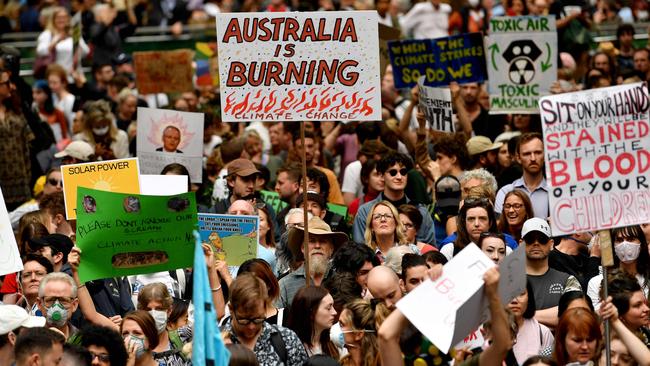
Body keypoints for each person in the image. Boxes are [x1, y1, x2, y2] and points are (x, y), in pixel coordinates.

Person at [222, 273, 308, 365]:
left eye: (258, 319)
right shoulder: (215, 342)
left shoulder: (287, 339)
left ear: (265, 308)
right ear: (231, 309)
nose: (251, 327)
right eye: (244, 320)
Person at [353, 152, 435, 246]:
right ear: (382, 176)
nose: (399, 177)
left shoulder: (421, 211)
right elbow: (359, 249)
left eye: (403, 172)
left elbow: (429, 251)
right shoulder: (366, 212)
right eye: (393, 172)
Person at [522, 218, 581, 327]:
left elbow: (575, 314)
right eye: (530, 239)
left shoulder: (567, 280)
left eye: (542, 239)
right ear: (521, 244)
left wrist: (524, 316)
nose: (536, 243)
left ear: (551, 244)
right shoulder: (509, 281)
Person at [280, 216, 348, 308]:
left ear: (331, 249)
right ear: (303, 248)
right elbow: (276, 321)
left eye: (323, 241)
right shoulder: (285, 285)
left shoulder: (342, 282)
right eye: (311, 241)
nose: (317, 246)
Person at [587, 225, 650, 309]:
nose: (624, 244)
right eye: (619, 240)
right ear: (613, 246)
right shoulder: (597, 283)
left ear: (641, 244)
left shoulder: (648, 279)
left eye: (630, 239)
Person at [495, 133, 549, 219]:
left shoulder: (556, 193)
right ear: (518, 158)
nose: (533, 158)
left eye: (538, 152)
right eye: (527, 154)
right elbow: (500, 228)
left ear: (545, 155)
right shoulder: (505, 192)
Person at [507, 280, 554, 364]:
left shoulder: (543, 333)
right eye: (508, 294)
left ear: (529, 298)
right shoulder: (486, 332)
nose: (514, 300)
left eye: (521, 293)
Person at [35, 7, 89, 78]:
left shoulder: (74, 33)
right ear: (53, 19)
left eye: (64, 17)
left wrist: (76, 37)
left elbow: (85, 52)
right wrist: (55, 42)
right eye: (58, 17)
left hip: (74, 75)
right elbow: (40, 52)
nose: (62, 20)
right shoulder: (47, 34)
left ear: (68, 19)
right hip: (56, 76)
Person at [287, 286, 339, 358]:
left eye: (333, 306)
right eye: (329, 308)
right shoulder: (291, 349)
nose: (335, 312)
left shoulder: (333, 343)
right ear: (311, 312)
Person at [338, 299, 387, 366]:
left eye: (341, 324)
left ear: (358, 334)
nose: (336, 328)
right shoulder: (343, 362)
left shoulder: (382, 362)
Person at [607, 271, 650, 345]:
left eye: (644, 303)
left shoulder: (645, 332)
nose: (647, 309)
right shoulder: (614, 344)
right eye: (637, 305)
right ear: (620, 313)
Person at [37, 272, 80, 340]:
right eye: (51, 300)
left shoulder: (82, 342)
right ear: (39, 304)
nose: (56, 306)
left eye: (63, 300)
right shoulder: (29, 342)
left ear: (74, 305)